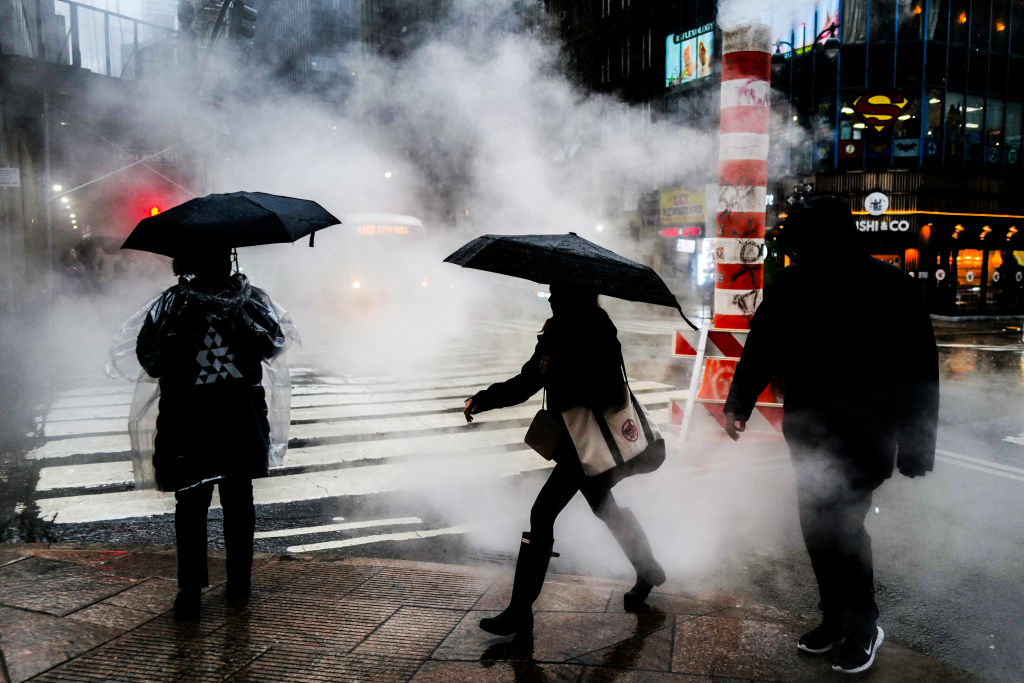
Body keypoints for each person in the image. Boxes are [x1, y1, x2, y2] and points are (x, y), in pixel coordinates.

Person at [722, 195, 939, 675]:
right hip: (809, 431)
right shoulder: (795, 283)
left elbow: (919, 371)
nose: (794, 248)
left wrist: (917, 447)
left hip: (867, 432)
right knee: (816, 526)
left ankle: (863, 626)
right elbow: (763, 345)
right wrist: (739, 402)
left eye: (801, 237)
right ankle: (836, 618)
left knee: (842, 527)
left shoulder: (890, 286)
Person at [463, 282, 666, 638]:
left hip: (588, 440)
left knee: (542, 513)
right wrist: (485, 398)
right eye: (551, 292)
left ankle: (520, 610)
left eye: (558, 292)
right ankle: (648, 568)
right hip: (575, 440)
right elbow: (529, 379)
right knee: (604, 507)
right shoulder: (555, 330)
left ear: (576, 295)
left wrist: (560, 371)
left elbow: (608, 389)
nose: (552, 298)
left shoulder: (599, 328)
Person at [135, 248, 291, 620]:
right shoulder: (249, 301)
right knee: (238, 501)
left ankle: (190, 591)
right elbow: (273, 344)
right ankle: (239, 583)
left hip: (188, 421)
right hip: (238, 419)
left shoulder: (172, 305)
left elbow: (150, 360)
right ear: (228, 260)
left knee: (191, 505)